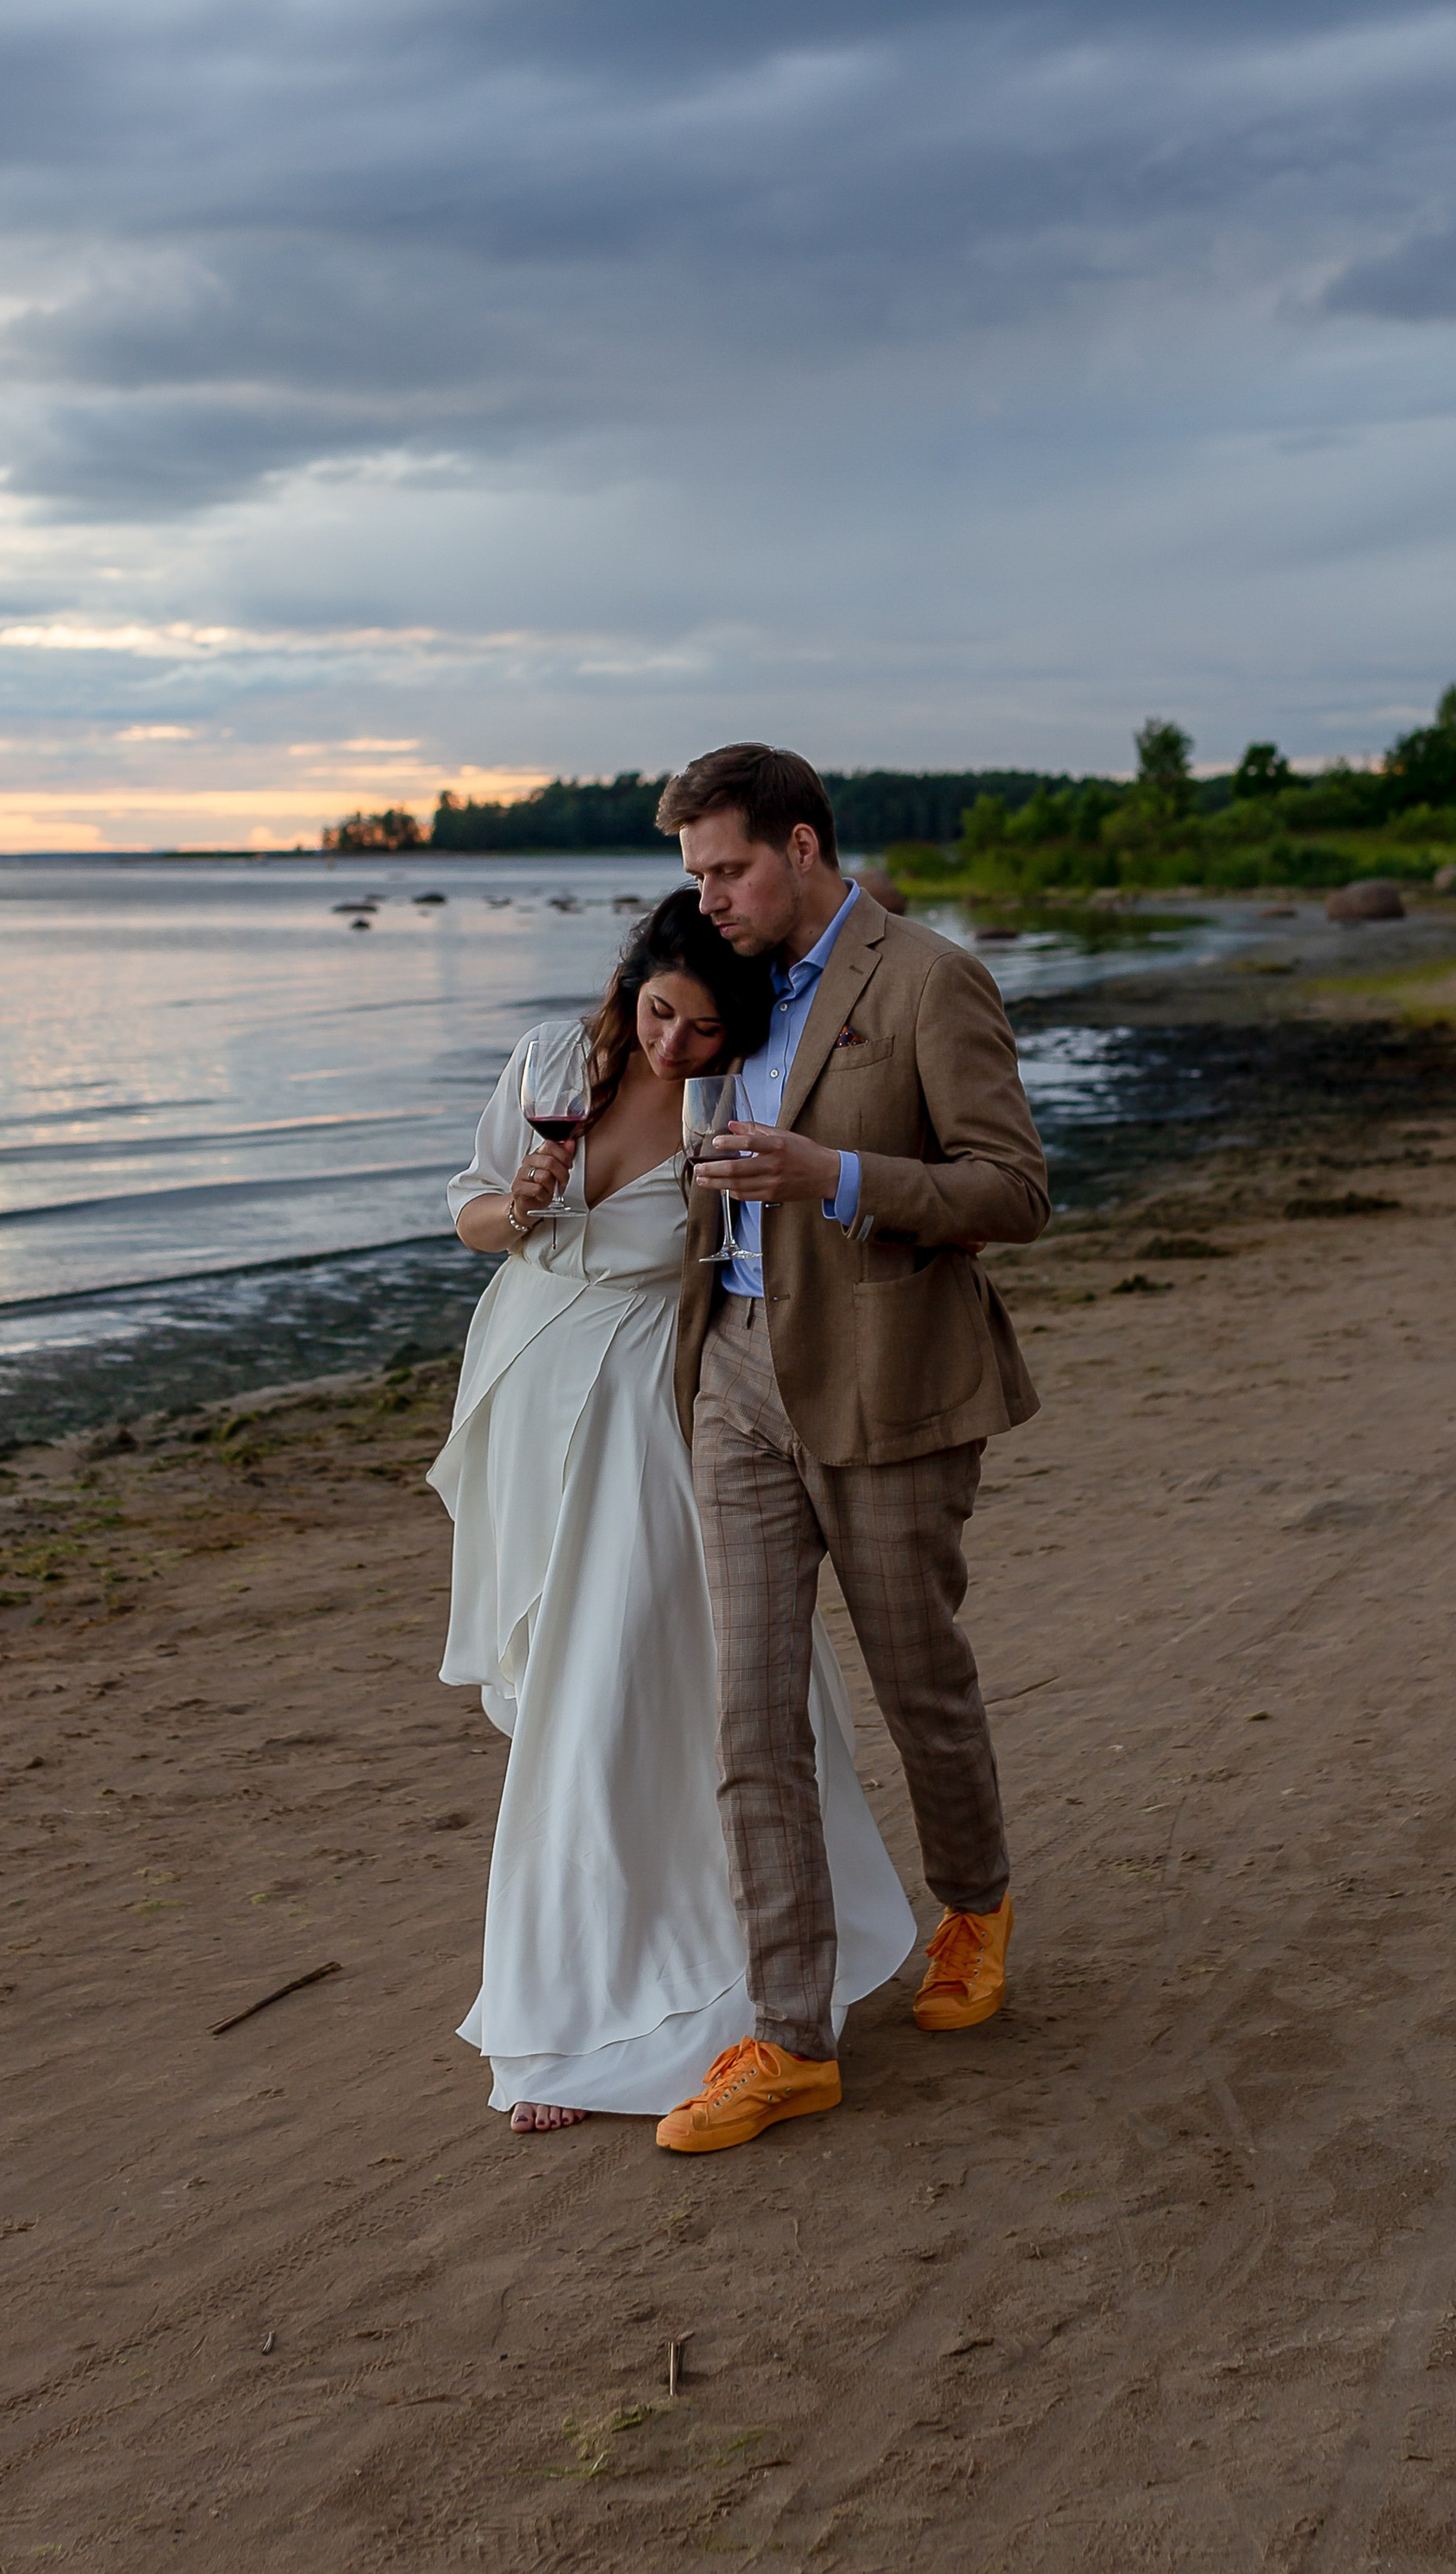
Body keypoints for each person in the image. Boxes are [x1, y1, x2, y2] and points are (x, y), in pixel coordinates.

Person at [430, 888, 916, 2132]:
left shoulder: (739, 1094)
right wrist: (526, 1200)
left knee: (629, 1706)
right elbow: (474, 1216)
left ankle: (596, 2016)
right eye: (658, 1013)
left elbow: (787, 1259)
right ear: (628, 982)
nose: (672, 1047)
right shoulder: (548, 1058)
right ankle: (606, 1982)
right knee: (561, 1695)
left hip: (652, 1421)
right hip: (525, 1395)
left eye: (703, 1029)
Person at [650, 745, 1051, 2156]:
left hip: (891, 1385)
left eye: (730, 869)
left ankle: (975, 1905)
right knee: (748, 1713)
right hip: (738, 1376)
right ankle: (791, 2036)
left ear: (804, 847)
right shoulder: (724, 978)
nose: (709, 899)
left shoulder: (929, 978)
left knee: (916, 1682)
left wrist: (838, 1180)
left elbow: (1013, 1191)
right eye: (693, 875)